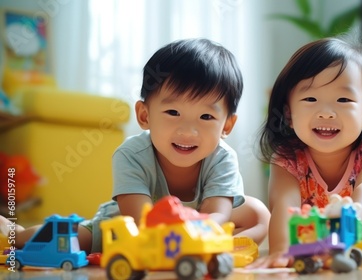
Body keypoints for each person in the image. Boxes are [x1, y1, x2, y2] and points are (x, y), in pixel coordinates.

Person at [0, 38, 270, 254]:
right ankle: (12, 233)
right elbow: (141, 220)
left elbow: (216, 214)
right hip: (126, 229)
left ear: (227, 126)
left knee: (259, 213)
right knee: (71, 239)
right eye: (173, 113)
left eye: (206, 117)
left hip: (193, 231)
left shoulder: (223, 158)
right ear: (144, 116)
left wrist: (203, 235)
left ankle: (233, 247)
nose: (188, 131)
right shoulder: (131, 154)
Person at [250, 36, 362, 268]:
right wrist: (280, 251)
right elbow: (284, 206)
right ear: (288, 114)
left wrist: (347, 239)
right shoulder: (287, 159)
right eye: (310, 98)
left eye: (343, 99)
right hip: (324, 232)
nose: (326, 113)